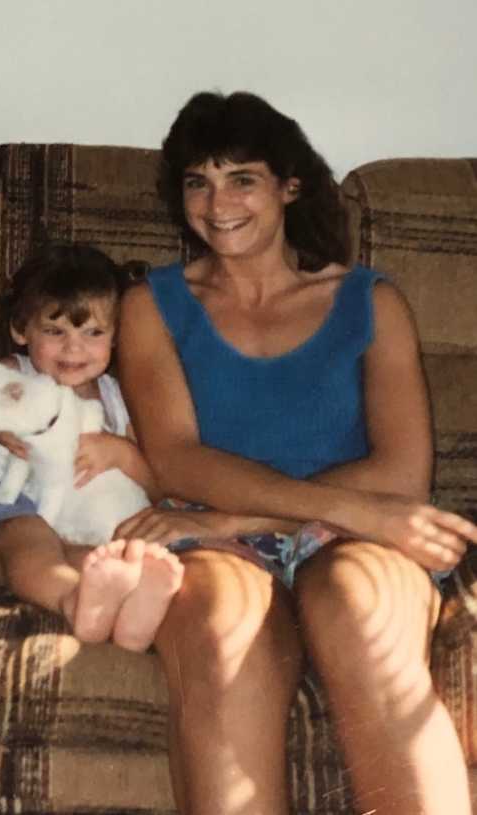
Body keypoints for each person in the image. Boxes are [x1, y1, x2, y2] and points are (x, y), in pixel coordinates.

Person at [114, 90, 477, 815]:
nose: (217, 203)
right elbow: (178, 457)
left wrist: (237, 517)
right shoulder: (150, 304)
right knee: (221, 628)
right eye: (197, 182)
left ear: (289, 185)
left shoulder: (372, 302)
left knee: (357, 608)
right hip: (237, 533)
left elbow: (403, 472)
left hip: (344, 537)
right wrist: (308, 510)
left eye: (241, 178)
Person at [0, 242, 184, 652]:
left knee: (101, 555)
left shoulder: (116, 397)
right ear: (21, 330)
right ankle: (73, 601)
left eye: (93, 333)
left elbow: (158, 489)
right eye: (55, 331)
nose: (74, 349)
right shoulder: (10, 376)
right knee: (29, 535)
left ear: (117, 336)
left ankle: (128, 610)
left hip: (69, 521)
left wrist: (120, 452)